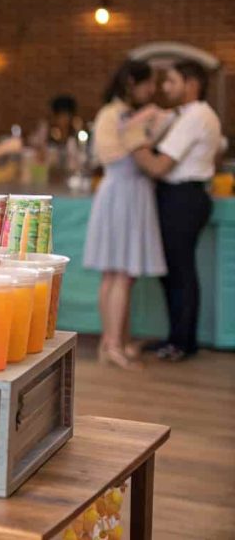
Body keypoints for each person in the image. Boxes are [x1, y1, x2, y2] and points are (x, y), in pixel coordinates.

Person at [133, 61, 224, 361]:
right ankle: (177, 338)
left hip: (182, 197)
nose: (165, 87)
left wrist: (130, 144)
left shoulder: (196, 115)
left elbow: (160, 166)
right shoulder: (192, 115)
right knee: (174, 270)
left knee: (180, 271)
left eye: (171, 81)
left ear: (192, 83)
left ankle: (182, 343)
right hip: (184, 196)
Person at [83, 60, 168, 370]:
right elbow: (108, 153)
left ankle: (116, 341)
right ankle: (113, 344)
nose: (152, 90)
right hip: (121, 193)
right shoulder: (113, 113)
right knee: (118, 273)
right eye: (148, 83)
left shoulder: (123, 114)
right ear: (132, 82)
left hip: (129, 193)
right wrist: (138, 130)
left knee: (121, 274)